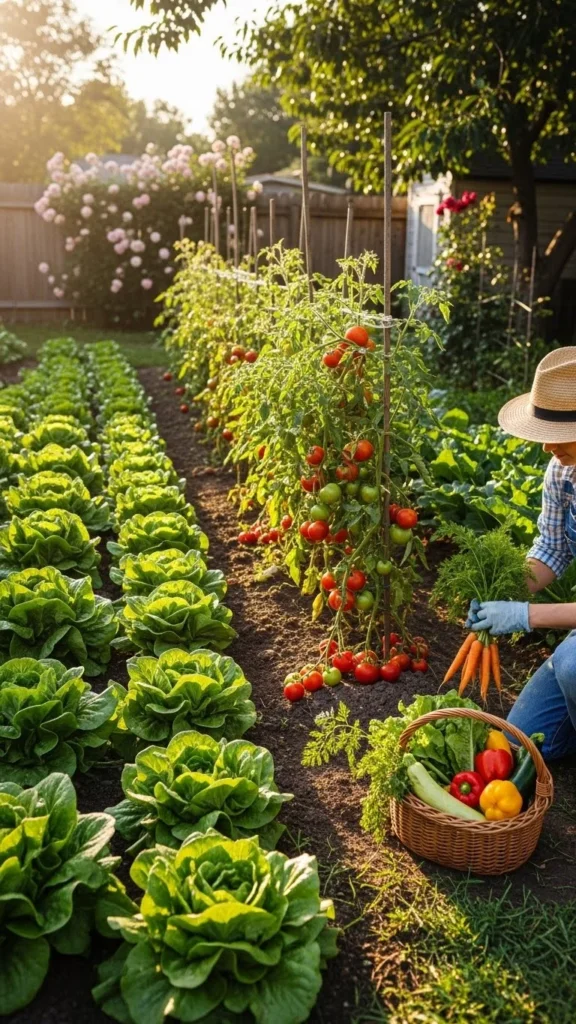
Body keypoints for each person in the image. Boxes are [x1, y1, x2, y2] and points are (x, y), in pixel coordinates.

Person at [466, 347, 576, 760]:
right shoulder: (563, 471)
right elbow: (551, 548)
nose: (546, 447)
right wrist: (505, 590)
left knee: (573, 668)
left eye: (558, 431)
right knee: (518, 743)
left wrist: (522, 615)